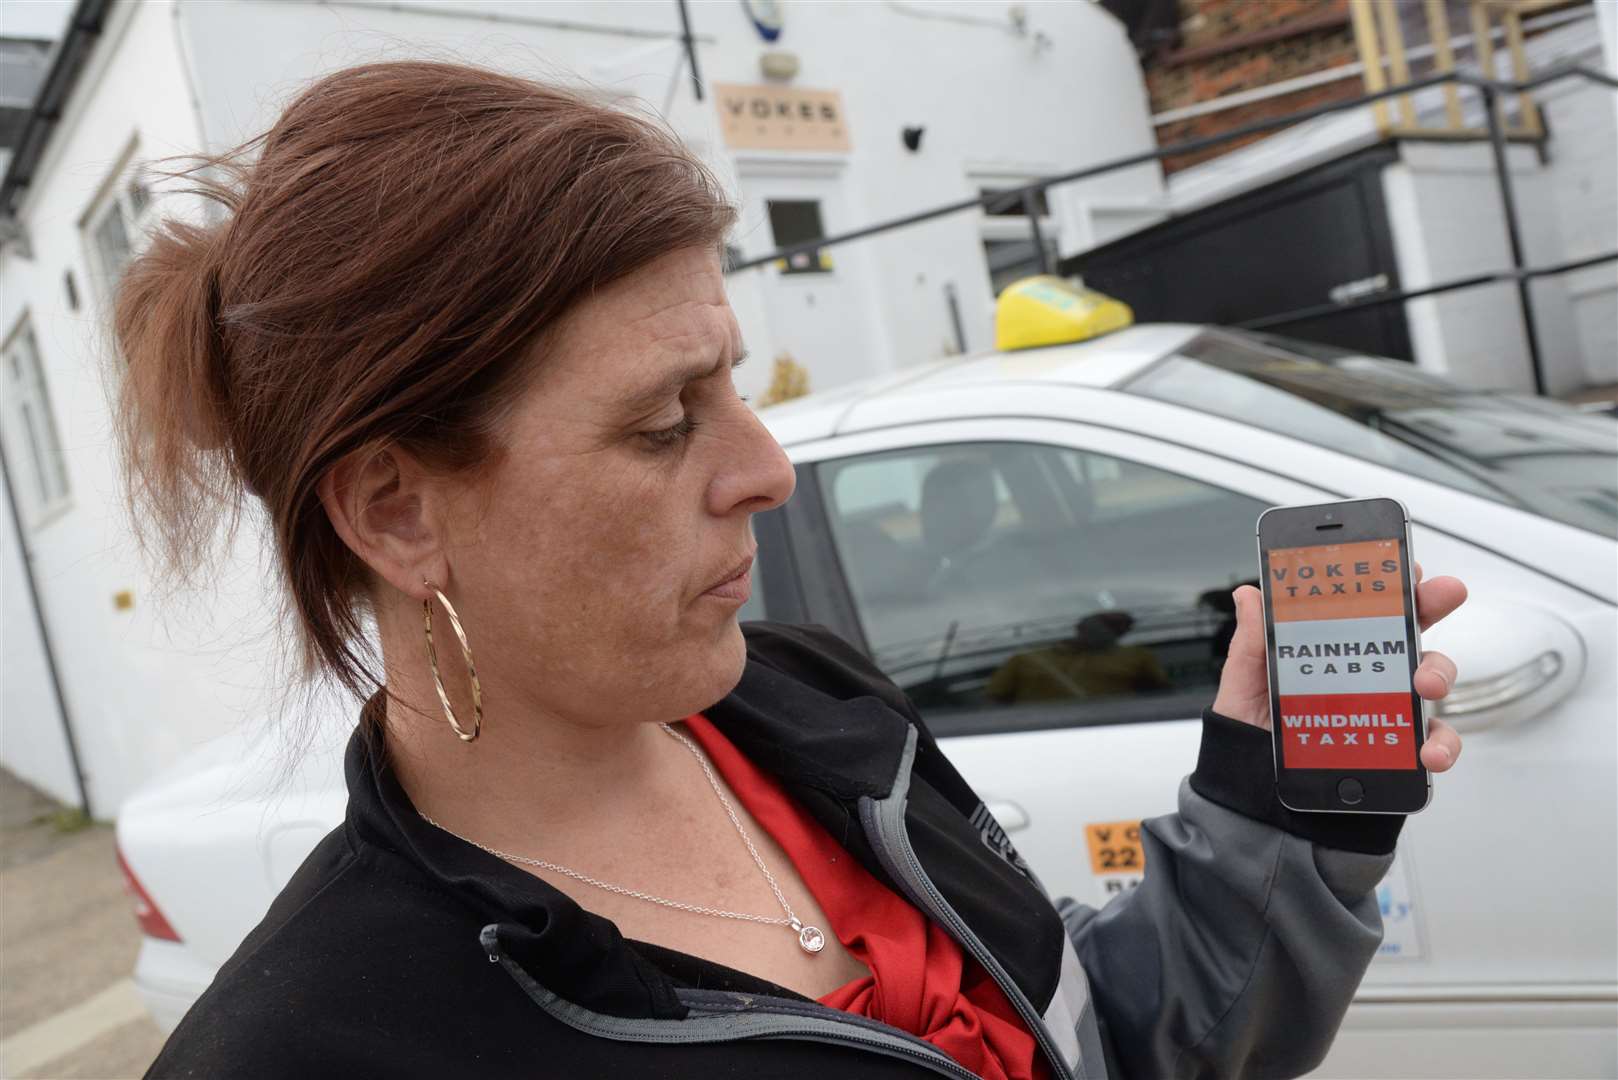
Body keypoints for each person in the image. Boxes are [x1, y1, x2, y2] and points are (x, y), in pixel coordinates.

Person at [117, 61, 1468, 1080]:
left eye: (739, 389)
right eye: (663, 421)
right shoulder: (313, 1045)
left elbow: (1102, 1039)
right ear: (396, 513)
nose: (768, 469)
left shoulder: (811, 709)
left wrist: (1281, 818)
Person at [986, 612, 1171, 703]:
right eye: (1104, 625)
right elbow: (994, 700)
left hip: (1119, 727)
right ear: (1080, 628)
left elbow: (1161, 694)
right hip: (1032, 733)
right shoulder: (1024, 659)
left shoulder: (1138, 656)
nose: (1103, 631)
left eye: (1119, 628)